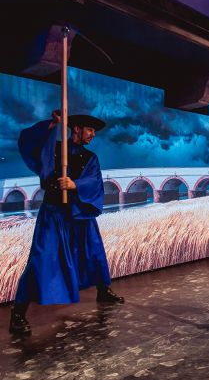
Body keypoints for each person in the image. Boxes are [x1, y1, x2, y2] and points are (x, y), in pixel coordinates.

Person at [9, 110, 124, 336]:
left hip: (79, 211)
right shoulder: (54, 149)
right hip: (54, 213)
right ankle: (18, 313)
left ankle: (103, 291)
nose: (93, 134)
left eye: (94, 131)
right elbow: (28, 143)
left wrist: (75, 185)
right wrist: (52, 125)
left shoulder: (90, 158)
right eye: (89, 130)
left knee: (93, 252)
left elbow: (94, 182)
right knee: (41, 259)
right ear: (77, 129)